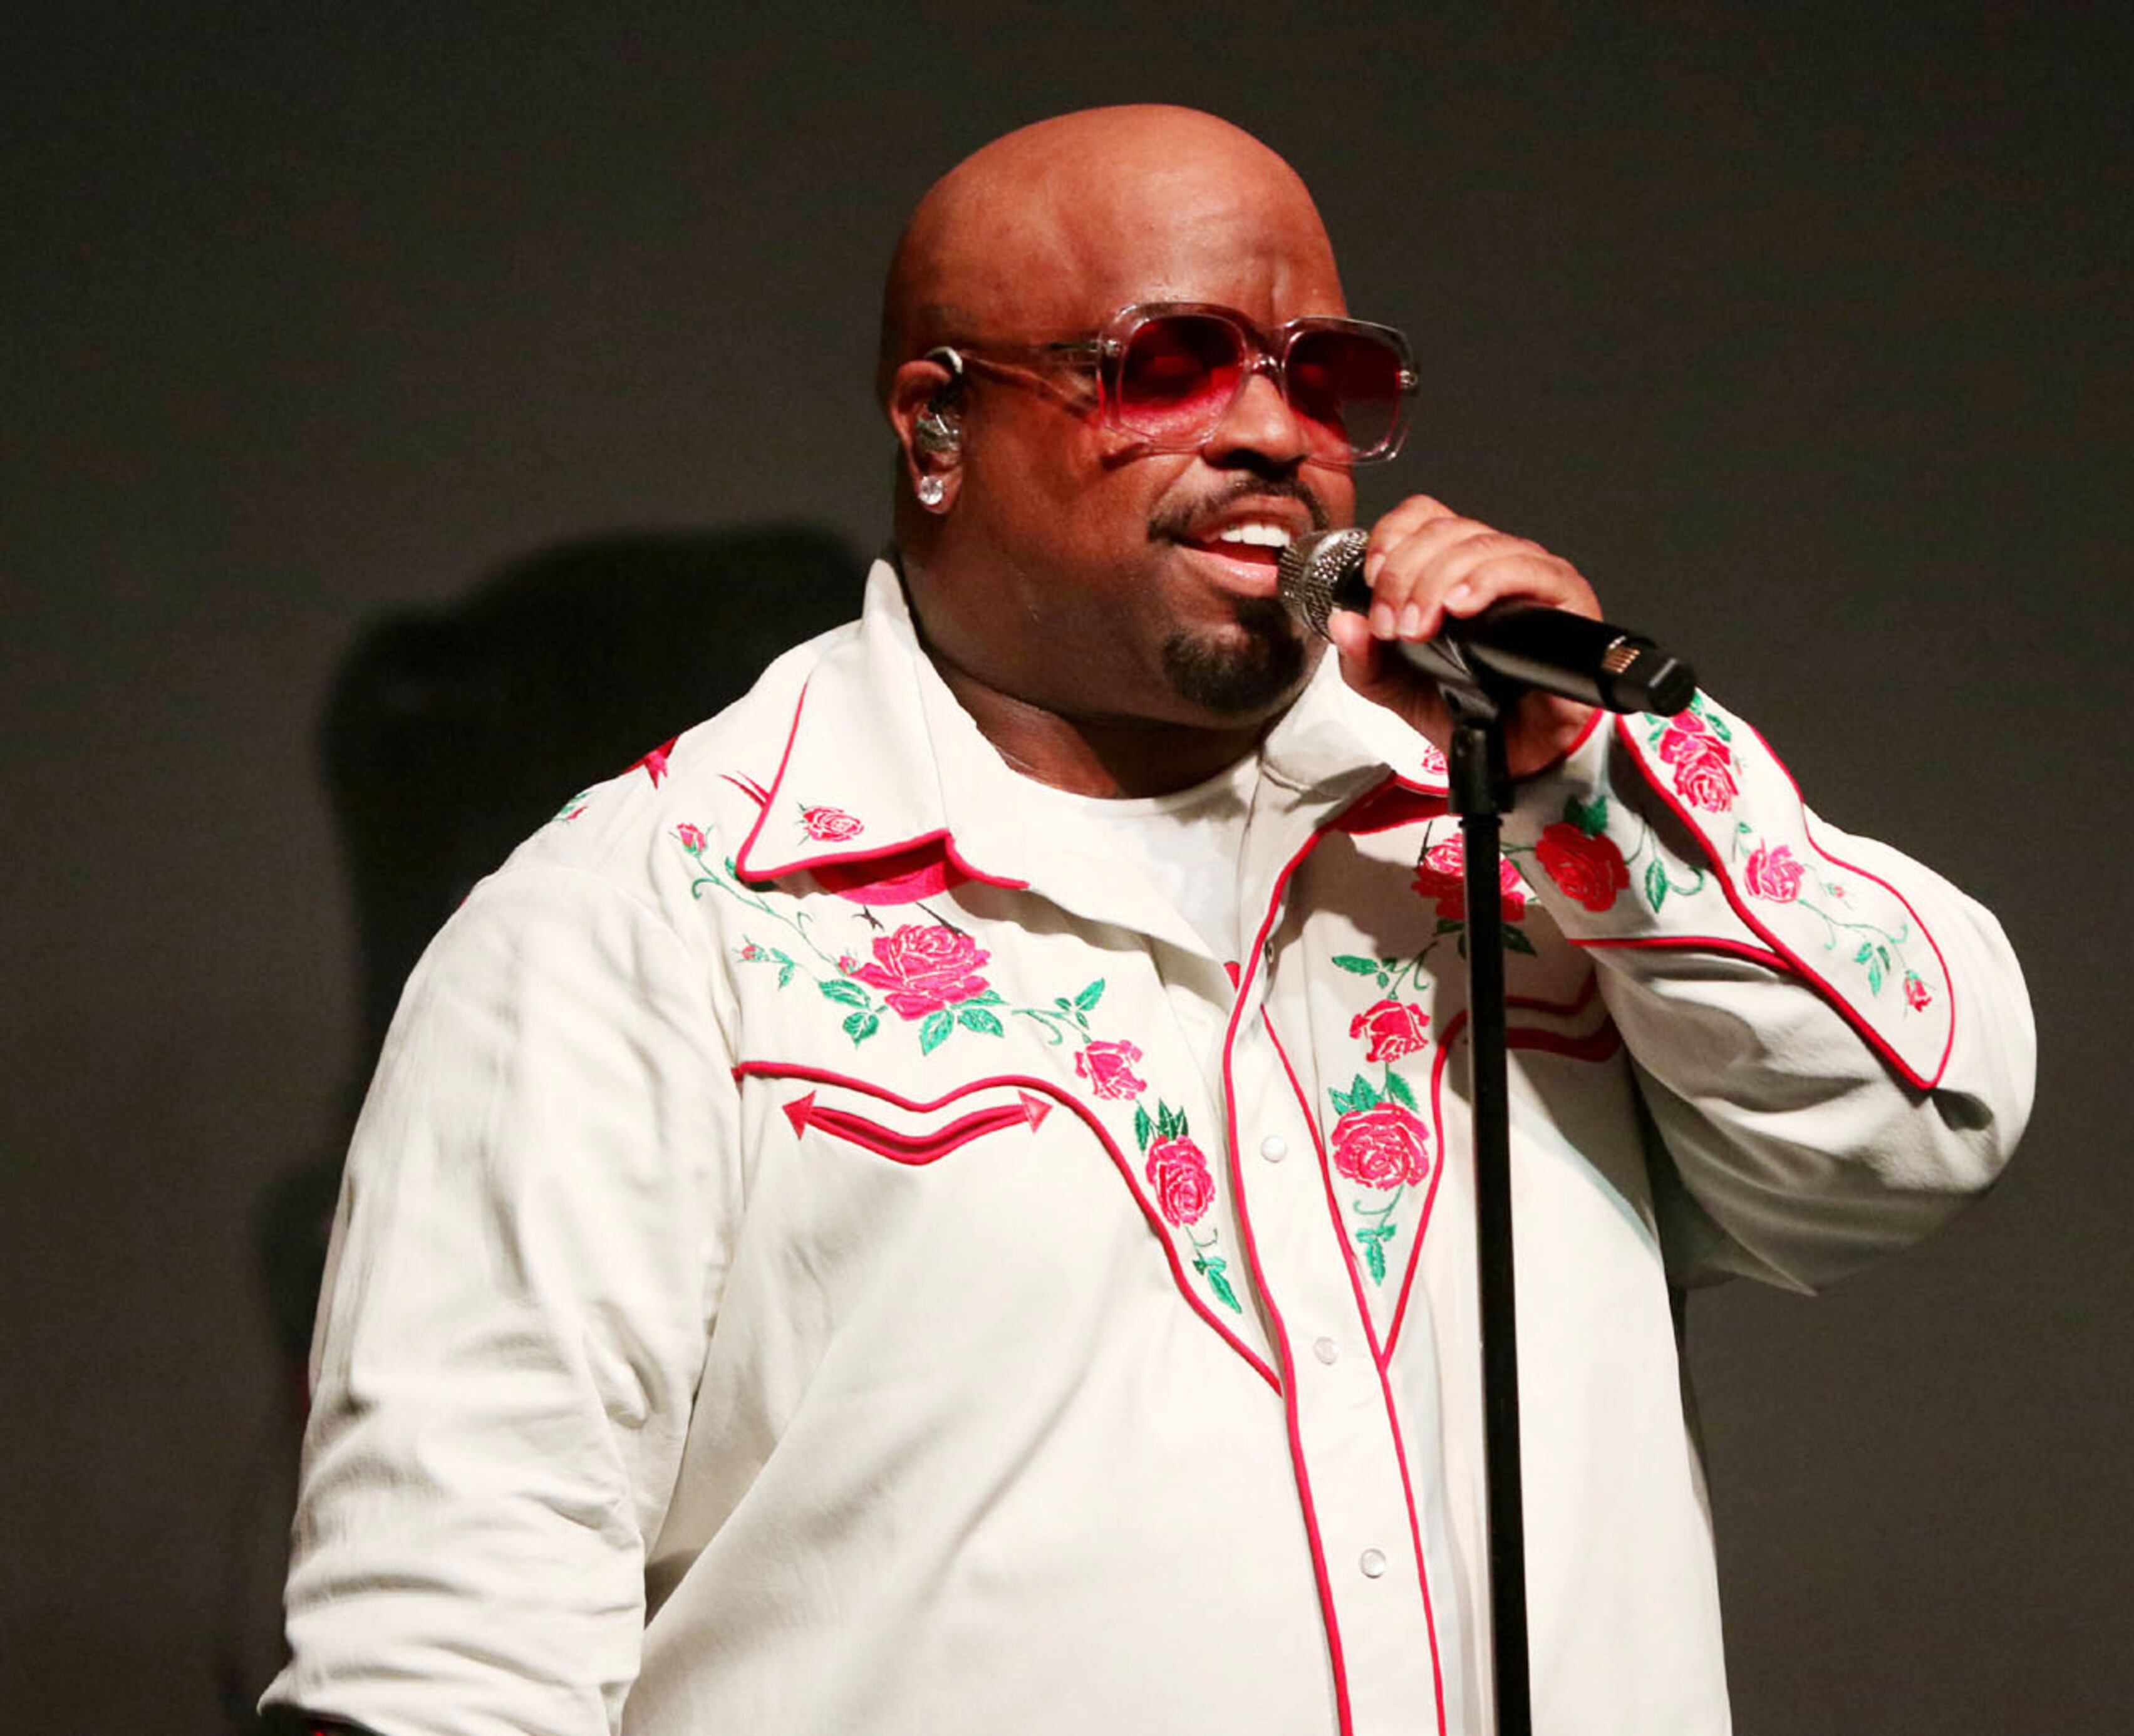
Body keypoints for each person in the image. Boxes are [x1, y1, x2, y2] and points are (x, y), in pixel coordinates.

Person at [264, 106, 2035, 1736]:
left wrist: (1595, 777)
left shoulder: (1510, 837)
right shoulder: (653, 924)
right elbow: (443, 1664)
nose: (1272, 431)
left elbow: (1923, 1118)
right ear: (935, 427)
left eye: (1323, 378)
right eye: (1169, 365)